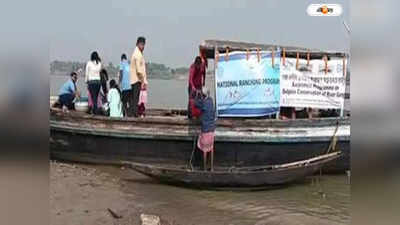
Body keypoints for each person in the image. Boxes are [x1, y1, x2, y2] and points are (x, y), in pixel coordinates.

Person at [195, 87, 216, 171]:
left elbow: (195, 104)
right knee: (211, 148)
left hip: (206, 128)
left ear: (203, 94)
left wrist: (197, 95)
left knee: (204, 149)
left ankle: (204, 168)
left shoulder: (203, 102)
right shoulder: (210, 101)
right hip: (212, 128)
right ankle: (211, 168)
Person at [129, 37, 148, 117]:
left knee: (135, 98)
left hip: (136, 79)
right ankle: (134, 114)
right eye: (141, 44)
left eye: (143, 45)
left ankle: (133, 113)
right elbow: (139, 70)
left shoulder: (138, 53)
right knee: (135, 98)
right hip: (137, 79)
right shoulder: (137, 54)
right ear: (137, 44)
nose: (143, 46)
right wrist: (143, 81)